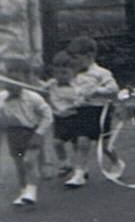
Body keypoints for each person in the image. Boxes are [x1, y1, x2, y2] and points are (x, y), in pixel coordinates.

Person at [63, 36, 123, 187]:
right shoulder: (74, 75)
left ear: (89, 56)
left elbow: (113, 89)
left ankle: (117, 162)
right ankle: (79, 173)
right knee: (81, 142)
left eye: (76, 58)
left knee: (105, 146)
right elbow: (71, 91)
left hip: (100, 112)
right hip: (83, 111)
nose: (73, 62)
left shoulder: (101, 73)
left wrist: (96, 91)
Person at [0, 59, 52, 206]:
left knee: (29, 162)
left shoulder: (33, 97)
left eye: (17, 77)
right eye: (8, 76)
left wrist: (39, 133)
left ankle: (31, 190)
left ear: (26, 79)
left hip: (32, 133)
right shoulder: (2, 97)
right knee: (19, 166)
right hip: (13, 135)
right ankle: (23, 191)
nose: (11, 80)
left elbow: (47, 115)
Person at [44, 51, 82, 177]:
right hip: (59, 119)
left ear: (74, 72)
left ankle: (80, 167)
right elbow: (41, 89)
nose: (60, 76)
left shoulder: (76, 86)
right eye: (57, 73)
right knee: (57, 143)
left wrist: (73, 106)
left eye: (65, 73)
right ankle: (65, 163)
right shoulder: (52, 84)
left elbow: (80, 101)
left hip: (74, 117)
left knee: (77, 144)